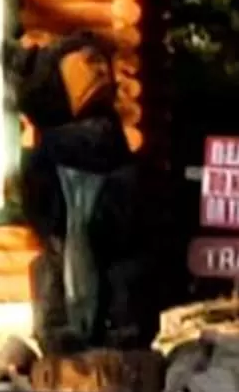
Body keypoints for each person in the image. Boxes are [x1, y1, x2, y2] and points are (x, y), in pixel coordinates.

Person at [11, 31, 146, 352]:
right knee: (52, 268)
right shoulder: (47, 146)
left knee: (125, 270)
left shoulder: (111, 136)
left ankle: (122, 325)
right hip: (64, 233)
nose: (101, 71)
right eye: (90, 63)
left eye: (102, 63)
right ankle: (59, 329)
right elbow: (37, 201)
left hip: (107, 228)